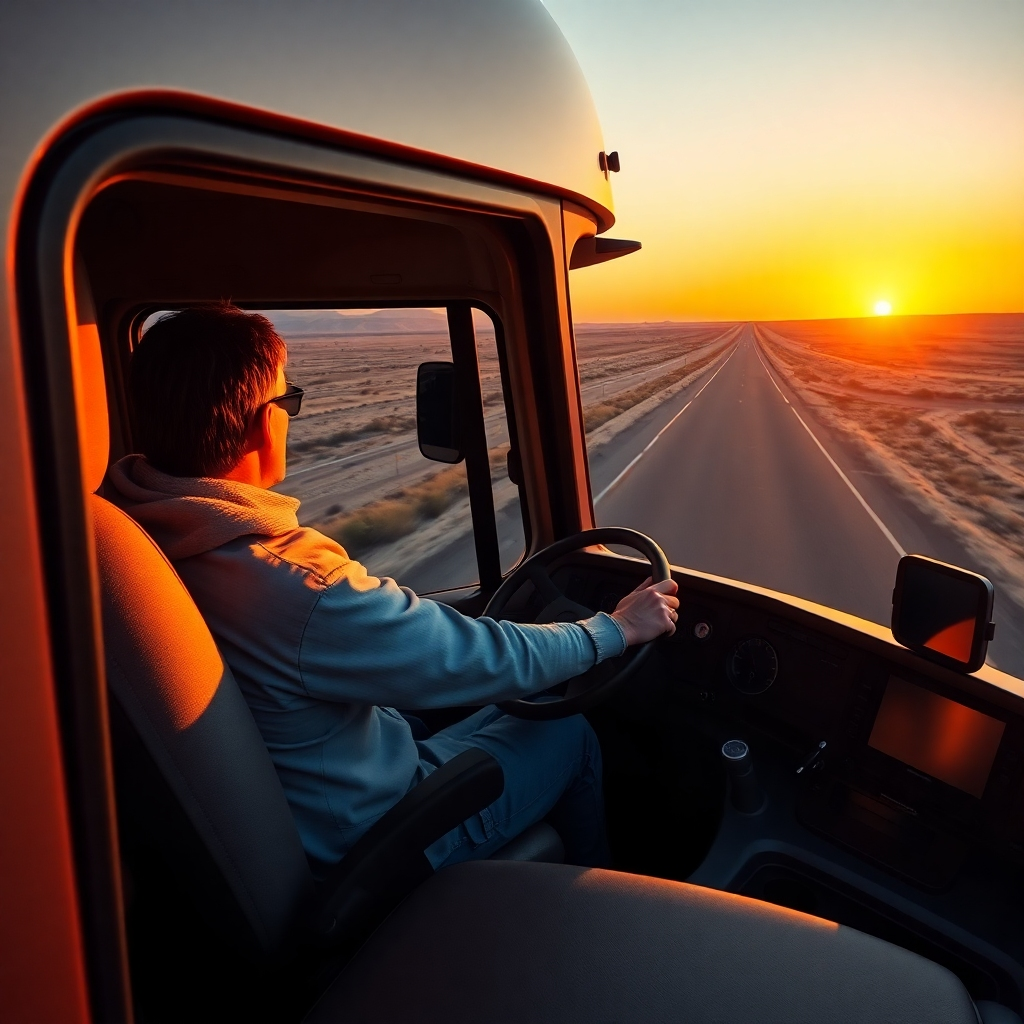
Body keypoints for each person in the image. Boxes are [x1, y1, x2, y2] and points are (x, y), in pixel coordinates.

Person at [108, 304, 679, 875]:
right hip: (376, 836)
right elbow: (477, 656)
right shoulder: (292, 581)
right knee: (569, 732)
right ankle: (596, 908)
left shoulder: (130, 536)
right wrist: (616, 629)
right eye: (288, 400)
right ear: (264, 422)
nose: (289, 415)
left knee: (519, 710)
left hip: (310, 802)